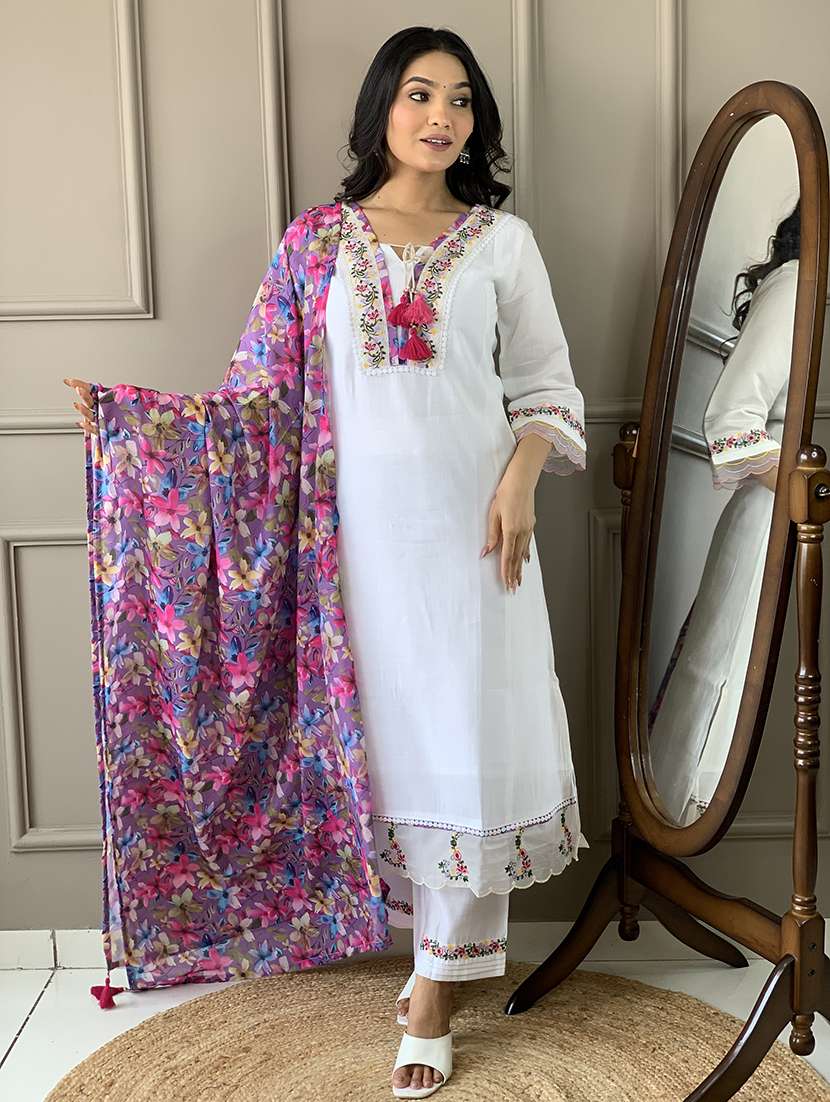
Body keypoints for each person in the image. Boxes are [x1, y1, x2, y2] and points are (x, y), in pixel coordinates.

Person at [66, 26, 589, 1099]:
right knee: (388, 750)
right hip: (345, 560)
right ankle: (408, 951)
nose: (440, 116)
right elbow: (257, 401)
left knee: (465, 745)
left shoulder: (501, 244)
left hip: (477, 546)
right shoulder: (314, 244)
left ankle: (435, 989)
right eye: (418, 94)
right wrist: (135, 425)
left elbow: (546, 385)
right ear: (380, 109)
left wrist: (522, 477)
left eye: (459, 99)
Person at [647, 202, 799, 825]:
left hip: (806, 526)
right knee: (718, 705)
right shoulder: (799, 283)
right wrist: (810, 494)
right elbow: (733, 421)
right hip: (775, 524)